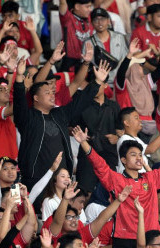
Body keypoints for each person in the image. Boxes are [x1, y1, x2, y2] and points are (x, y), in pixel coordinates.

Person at [12, 55, 108, 190]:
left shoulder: (60, 114)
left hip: (61, 180)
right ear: (36, 98)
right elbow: (19, 102)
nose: (52, 95)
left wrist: (97, 82)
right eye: (47, 93)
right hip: (36, 178)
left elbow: (82, 102)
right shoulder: (27, 117)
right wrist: (19, 77)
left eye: (52, 92)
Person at [84, 8, 128, 85]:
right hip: (98, 84)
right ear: (92, 23)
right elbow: (85, 66)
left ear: (108, 21)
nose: (99, 23)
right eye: (96, 20)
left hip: (118, 82)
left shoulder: (119, 37)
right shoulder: (88, 42)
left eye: (102, 19)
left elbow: (126, 59)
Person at [58, 0, 94, 71]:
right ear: (77, 6)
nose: (90, 9)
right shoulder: (68, 18)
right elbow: (62, 3)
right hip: (70, 63)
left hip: (88, 60)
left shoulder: (90, 17)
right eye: (87, 7)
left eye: (90, 7)